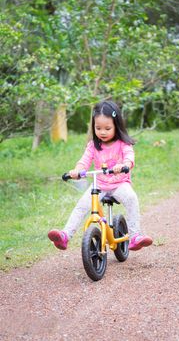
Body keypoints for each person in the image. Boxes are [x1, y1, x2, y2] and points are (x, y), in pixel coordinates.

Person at [48, 100, 153, 251]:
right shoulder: (93, 146)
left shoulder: (123, 144)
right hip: (100, 184)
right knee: (82, 206)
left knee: (131, 198)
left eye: (107, 128)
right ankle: (65, 236)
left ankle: (135, 236)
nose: (102, 132)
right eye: (98, 128)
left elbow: (129, 158)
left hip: (119, 184)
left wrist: (124, 165)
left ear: (117, 126)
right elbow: (84, 161)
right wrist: (77, 170)